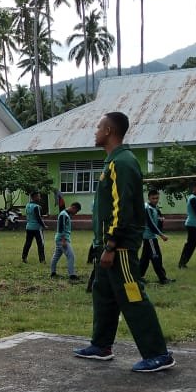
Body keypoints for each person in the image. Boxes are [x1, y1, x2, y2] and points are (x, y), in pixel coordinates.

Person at [74, 111, 175, 373]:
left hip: (118, 248)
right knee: (104, 295)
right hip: (106, 247)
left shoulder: (122, 163)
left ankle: (158, 354)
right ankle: (101, 346)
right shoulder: (112, 162)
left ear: (109, 131)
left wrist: (111, 245)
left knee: (133, 296)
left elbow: (123, 208)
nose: (95, 132)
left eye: (98, 127)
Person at [140, 190, 173, 284]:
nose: (155, 200)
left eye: (157, 198)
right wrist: (161, 235)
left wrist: (161, 220)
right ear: (149, 198)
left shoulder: (155, 208)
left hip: (150, 236)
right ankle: (163, 278)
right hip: (149, 237)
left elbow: (157, 222)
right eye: (153, 198)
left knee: (145, 258)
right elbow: (150, 224)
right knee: (156, 257)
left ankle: (138, 277)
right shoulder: (147, 208)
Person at [50, 202, 82, 282]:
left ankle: (53, 272)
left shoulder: (65, 214)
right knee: (71, 256)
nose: (76, 213)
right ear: (73, 207)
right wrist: (63, 240)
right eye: (76, 211)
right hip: (62, 239)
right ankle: (72, 275)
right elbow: (61, 228)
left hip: (60, 239)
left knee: (56, 256)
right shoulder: (64, 215)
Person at [22, 192, 47, 263]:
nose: (40, 198)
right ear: (35, 197)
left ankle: (24, 257)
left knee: (28, 243)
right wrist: (44, 225)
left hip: (29, 227)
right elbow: (38, 218)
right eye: (39, 197)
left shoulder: (27, 205)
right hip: (37, 228)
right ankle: (42, 260)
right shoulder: (36, 207)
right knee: (40, 244)